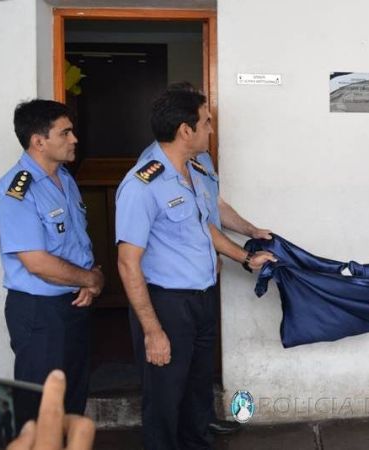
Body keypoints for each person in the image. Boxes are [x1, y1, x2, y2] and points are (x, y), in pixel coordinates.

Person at [116, 86, 276, 449]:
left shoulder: (196, 167)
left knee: (196, 386)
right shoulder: (143, 186)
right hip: (166, 304)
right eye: (206, 122)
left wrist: (246, 253)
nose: (211, 129)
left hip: (202, 296)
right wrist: (153, 330)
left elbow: (204, 224)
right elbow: (128, 263)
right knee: (165, 396)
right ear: (185, 130)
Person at [0, 100, 104, 430]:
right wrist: (90, 279)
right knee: (40, 409)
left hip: (74, 305)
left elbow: (75, 243)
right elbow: (36, 262)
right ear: (39, 140)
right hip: (39, 313)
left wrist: (90, 277)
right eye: (65, 132)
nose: (74, 139)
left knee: (71, 401)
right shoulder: (17, 190)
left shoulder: (64, 180)